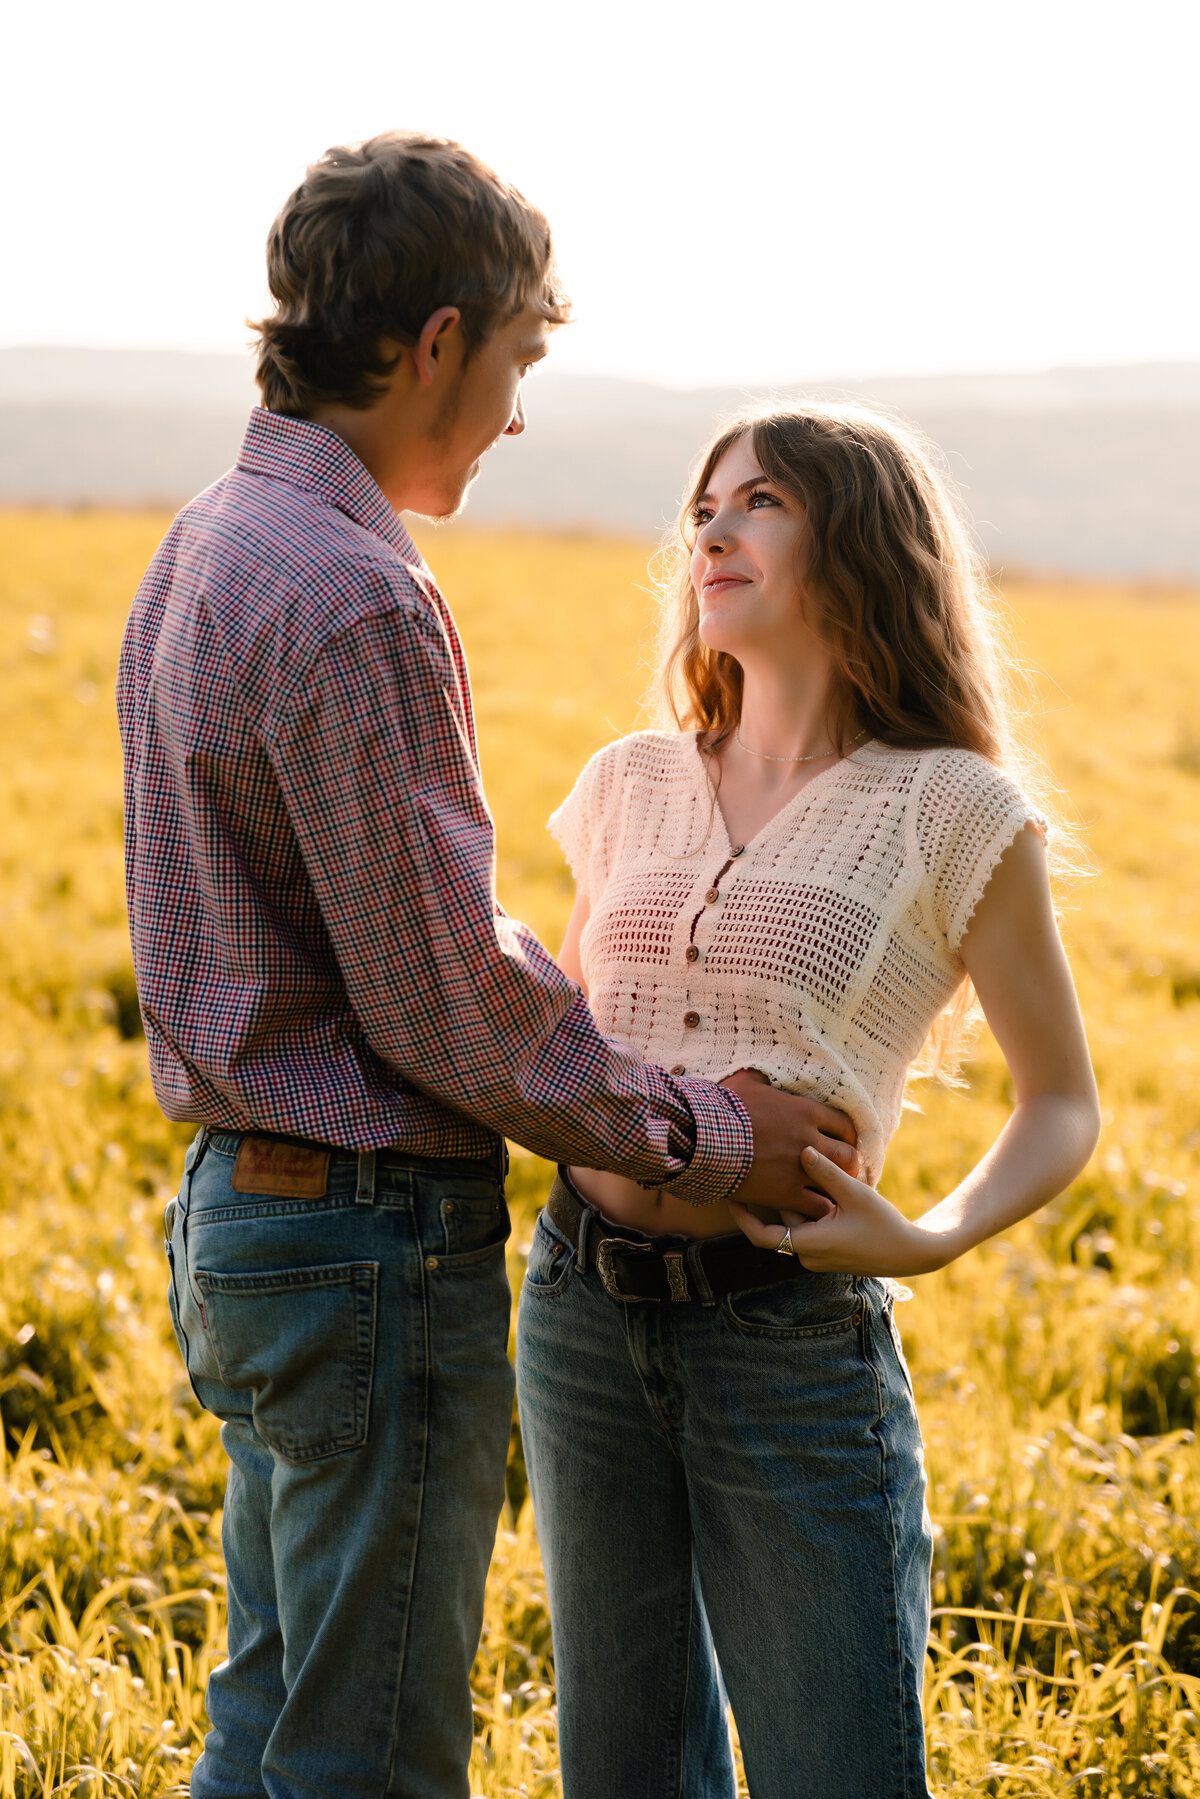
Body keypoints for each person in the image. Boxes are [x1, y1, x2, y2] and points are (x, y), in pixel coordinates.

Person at [117, 134, 853, 1799]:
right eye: (518, 357)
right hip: (366, 1241)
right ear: (437, 341)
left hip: (244, 1217)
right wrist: (710, 1127)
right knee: (365, 1759)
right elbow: (445, 996)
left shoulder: (201, 543)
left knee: (268, 1717)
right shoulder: (359, 592)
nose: (519, 411)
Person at [516, 404, 1101, 1799]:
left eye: (760, 502)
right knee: (621, 1771)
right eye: (704, 506)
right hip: (580, 1316)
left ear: (861, 547)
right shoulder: (625, 784)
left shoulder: (951, 809)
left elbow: (1063, 1101)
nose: (710, 529)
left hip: (785, 1337)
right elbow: (569, 1044)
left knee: (832, 1769)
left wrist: (928, 1237)